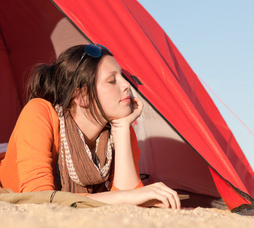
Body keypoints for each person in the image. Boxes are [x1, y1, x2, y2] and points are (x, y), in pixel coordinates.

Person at [0, 44, 180, 209]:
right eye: (112, 81)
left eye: (122, 77)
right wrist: (125, 197)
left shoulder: (119, 129)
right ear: (81, 96)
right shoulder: (39, 112)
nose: (126, 85)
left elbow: (129, 197)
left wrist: (122, 127)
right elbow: (38, 197)